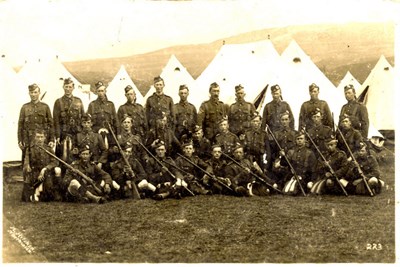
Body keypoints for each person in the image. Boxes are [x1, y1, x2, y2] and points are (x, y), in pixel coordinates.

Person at [21, 129, 62, 202]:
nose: (40, 139)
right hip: (34, 173)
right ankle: (36, 191)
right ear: (34, 138)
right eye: (38, 137)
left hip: (46, 173)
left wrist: (45, 168)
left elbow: (55, 162)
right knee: (28, 197)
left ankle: (53, 192)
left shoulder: (48, 149)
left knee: (48, 195)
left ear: (45, 138)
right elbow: (26, 160)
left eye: (41, 137)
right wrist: (27, 166)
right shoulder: (30, 149)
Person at [18, 83, 55, 163]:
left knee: (43, 162)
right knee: (27, 164)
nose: (33, 95)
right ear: (29, 93)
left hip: (43, 139)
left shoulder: (45, 107)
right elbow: (20, 125)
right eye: (31, 92)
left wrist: (52, 139)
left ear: (39, 93)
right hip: (28, 139)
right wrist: (20, 140)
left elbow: (51, 124)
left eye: (35, 92)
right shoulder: (25, 107)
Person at [53, 78, 84, 160]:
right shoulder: (58, 102)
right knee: (63, 156)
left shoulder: (78, 101)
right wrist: (57, 135)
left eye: (70, 87)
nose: (68, 89)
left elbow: (83, 118)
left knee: (76, 155)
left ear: (73, 88)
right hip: (64, 133)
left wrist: (82, 133)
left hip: (76, 133)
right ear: (63, 87)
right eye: (66, 87)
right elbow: (56, 121)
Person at [278, 131, 317, 195]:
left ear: (305, 140)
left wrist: (311, 181)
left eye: (301, 139)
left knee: (294, 191)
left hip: (304, 177)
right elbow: (283, 163)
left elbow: (313, 168)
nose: (299, 140)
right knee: (286, 190)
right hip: (293, 176)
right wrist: (283, 156)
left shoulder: (310, 153)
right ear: (295, 140)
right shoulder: (291, 151)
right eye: (298, 139)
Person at [87, 81, 118, 151]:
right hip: (96, 133)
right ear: (96, 92)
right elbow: (88, 121)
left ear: (105, 91)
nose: (101, 93)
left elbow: (116, 121)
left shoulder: (111, 105)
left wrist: (117, 134)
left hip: (110, 133)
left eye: (102, 91)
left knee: (110, 152)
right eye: (99, 91)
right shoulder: (92, 105)